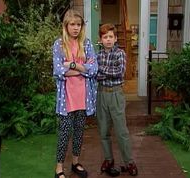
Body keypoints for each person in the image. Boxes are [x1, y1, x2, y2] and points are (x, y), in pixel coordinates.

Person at [52, 9, 98, 178]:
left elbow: (93, 70)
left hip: (83, 97)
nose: (76, 28)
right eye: (72, 24)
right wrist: (82, 68)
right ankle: (59, 168)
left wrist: (72, 65)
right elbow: (57, 71)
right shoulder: (59, 45)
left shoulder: (86, 44)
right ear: (66, 26)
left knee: (79, 132)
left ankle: (75, 163)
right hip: (67, 99)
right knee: (64, 133)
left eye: (78, 24)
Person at [96, 23, 138, 177]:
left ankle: (129, 162)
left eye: (111, 37)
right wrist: (102, 72)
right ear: (100, 39)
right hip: (101, 95)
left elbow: (119, 72)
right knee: (104, 130)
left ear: (115, 38)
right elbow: (95, 75)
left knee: (121, 131)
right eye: (105, 37)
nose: (108, 39)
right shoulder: (98, 55)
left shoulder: (120, 53)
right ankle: (109, 159)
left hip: (116, 95)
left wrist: (101, 70)